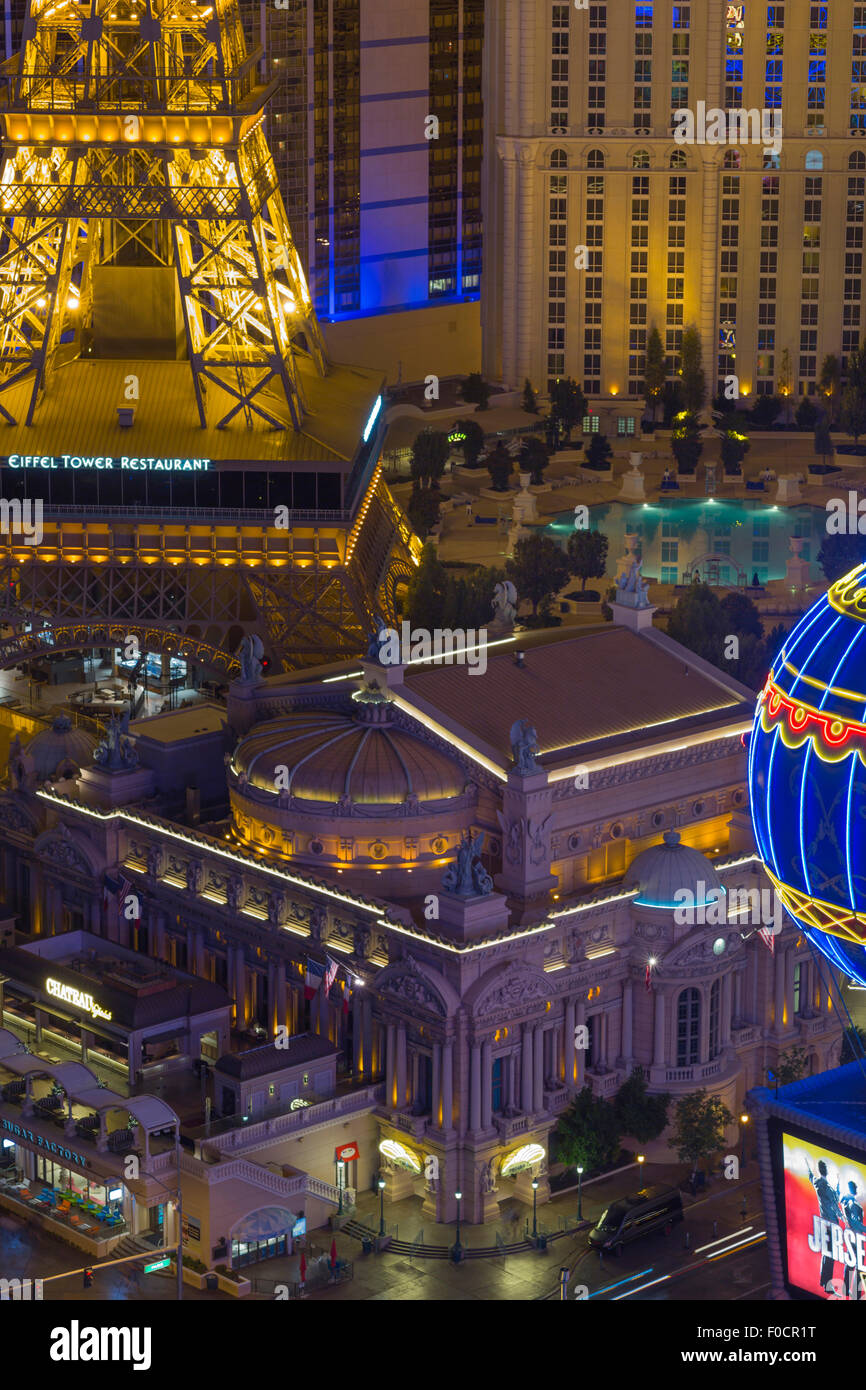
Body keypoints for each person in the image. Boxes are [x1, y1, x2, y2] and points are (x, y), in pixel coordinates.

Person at [807, 1157, 843, 1294]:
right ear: (826, 1171)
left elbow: (811, 1176)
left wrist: (808, 1168)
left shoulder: (817, 1182)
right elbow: (836, 1202)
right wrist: (838, 1183)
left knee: (826, 1253)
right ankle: (828, 1285)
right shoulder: (828, 1188)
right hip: (832, 1224)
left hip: (823, 1223)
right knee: (831, 1254)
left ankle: (823, 1281)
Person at [840, 1180, 865, 1300]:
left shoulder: (846, 1200)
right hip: (856, 1236)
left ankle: (846, 1288)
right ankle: (856, 1294)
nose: (856, 1188)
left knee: (850, 1262)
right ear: (851, 1188)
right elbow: (855, 1222)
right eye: (854, 1186)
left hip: (851, 1235)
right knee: (859, 1265)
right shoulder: (852, 1203)